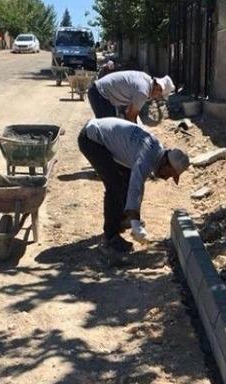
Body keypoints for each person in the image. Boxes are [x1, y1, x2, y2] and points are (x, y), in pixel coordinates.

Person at [78, 117, 190, 255]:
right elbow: (136, 186)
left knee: (125, 178)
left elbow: (134, 182)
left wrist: (133, 217)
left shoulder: (156, 150)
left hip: (101, 137)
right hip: (92, 140)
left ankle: (122, 219)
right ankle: (110, 239)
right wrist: (136, 224)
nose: (167, 178)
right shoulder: (147, 157)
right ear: (166, 163)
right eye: (170, 174)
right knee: (115, 187)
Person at [87, 70, 175, 122]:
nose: (157, 97)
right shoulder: (143, 92)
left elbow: (129, 111)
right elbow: (130, 116)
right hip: (99, 94)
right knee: (107, 129)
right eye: (160, 95)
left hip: (102, 93)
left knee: (112, 124)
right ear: (158, 88)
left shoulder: (146, 79)